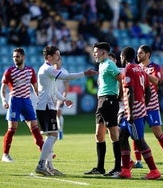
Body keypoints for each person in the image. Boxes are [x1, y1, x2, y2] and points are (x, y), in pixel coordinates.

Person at [35, 45, 98, 176]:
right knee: (53, 135)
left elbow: (53, 89)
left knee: (51, 136)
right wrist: (84, 73)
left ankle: (49, 166)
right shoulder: (47, 69)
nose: (59, 57)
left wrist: (63, 99)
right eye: (57, 55)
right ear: (49, 57)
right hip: (45, 106)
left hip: (48, 106)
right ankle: (41, 164)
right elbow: (67, 77)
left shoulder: (49, 69)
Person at [117, 46, 161, 179]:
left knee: (139, 140)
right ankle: (125, 170)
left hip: (133, 111)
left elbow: (129, 92)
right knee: (123, 136)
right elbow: (148, 90)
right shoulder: (140, 69)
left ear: (123, 57)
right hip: (136, 108)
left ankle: (154, 171)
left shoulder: (129, 69)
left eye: (120, 57)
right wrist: (144, 104)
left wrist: (130, 113)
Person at [135, 45, 163, 169]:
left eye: (141, 53)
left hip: (152, 105)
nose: (138, 55)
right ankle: (138, 161)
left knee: (158, 133)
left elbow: (156, 81)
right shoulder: (136, 68)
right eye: (137, 53)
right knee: (136, 133)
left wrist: (143, 73)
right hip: (139, 105)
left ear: (148, 54)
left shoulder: (154, 67)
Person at [84, 42, 122, 176]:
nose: (94, 54)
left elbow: (121, 79)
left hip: (109, 100)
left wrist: (120, 96)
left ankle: (118, 168)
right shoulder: (101, 65)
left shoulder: (110, 64)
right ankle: (100, 168)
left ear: (103, 52)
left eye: (96, 52)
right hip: (101, 101)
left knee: (113, 134)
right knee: (99, 135)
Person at [0, 47, 44, 162]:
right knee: (12, 129)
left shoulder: (30, 71)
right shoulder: (9, 71)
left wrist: (41, 98)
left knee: (34, 127)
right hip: (15, 101)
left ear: (23, 57)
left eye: (17, 56)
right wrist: (4, 100)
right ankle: (5, 154)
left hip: (26, 101)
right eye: (14, 57)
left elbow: (35, 87)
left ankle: (44, 152)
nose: (15, 59)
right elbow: (3, 89)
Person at [53, 59, 70, 140]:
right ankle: (55, 130)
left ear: (61, 61)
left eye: (58, 60)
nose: (57, 61)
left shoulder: (64, 72)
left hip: (60, 96)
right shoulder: (50, 71)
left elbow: (66, 86)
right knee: (53, 115)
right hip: (52, 96)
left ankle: (59, 130)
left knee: (58, 112)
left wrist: (63, 97)